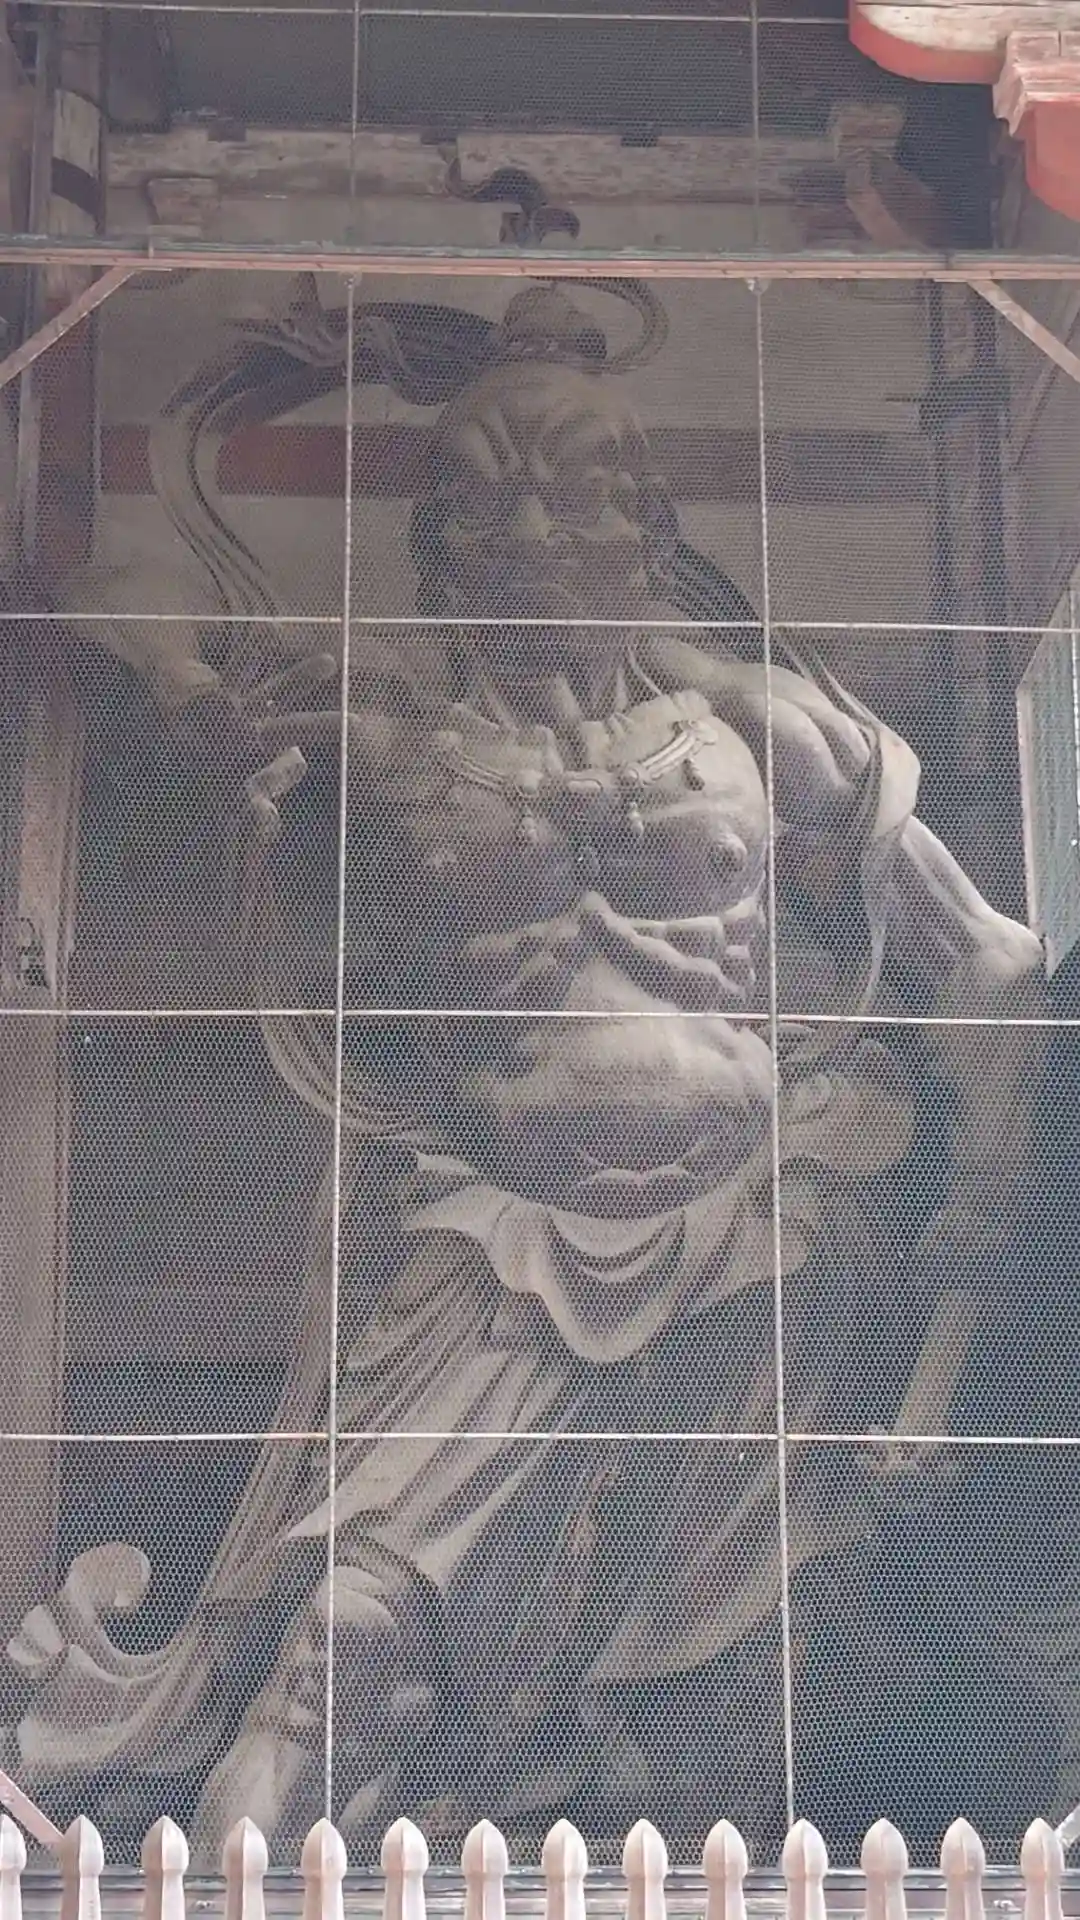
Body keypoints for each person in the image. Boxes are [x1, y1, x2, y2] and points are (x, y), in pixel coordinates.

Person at [8, 283, 1048, 1859]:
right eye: (487, 499)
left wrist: (991, 1196)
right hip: (492, 1251)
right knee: (341, 1648)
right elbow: (105, 581)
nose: (532, 531)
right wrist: (187, 692)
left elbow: (986, 970)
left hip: (764, 1253)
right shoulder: (380, 726)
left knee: (725, 1700)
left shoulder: (770, 734)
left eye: (574, 492)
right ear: (436, 549)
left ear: (650, 530)